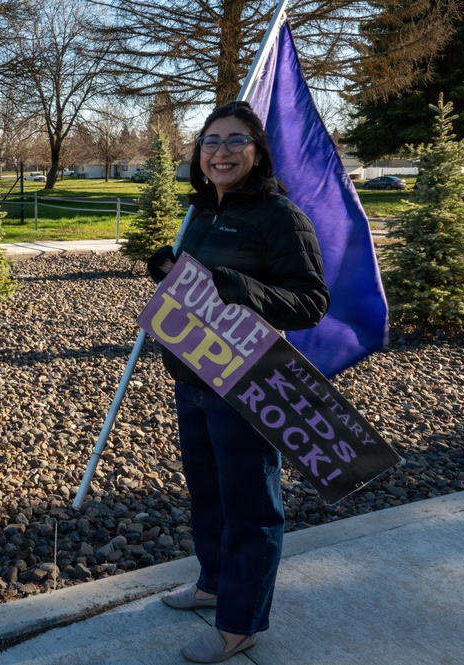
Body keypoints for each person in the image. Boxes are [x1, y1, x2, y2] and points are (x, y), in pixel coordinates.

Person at [147, 101, 330, 663]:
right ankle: (212, 584)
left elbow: (311, 303)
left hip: (250, 380)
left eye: (234, 141)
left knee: (250, 503)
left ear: (258, 152)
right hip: (193, 373)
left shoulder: (280, 217)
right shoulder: (199, 212)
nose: (220, 152)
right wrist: (169, 270)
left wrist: (243, 289)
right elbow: (197, 285)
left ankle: (240, 623)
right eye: (210, 141)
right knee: (209, 491)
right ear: (198, 154)